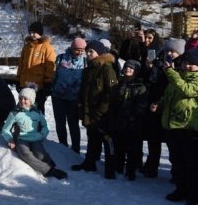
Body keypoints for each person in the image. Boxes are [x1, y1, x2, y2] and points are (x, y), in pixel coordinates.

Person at [157, 48, 198, 205]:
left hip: (190, 127)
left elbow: (188, 90)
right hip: (174, 126)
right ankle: (180, 190)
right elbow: (170, 95)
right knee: (177, 162)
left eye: (191, 64)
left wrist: (171, 73)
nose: (187, 66)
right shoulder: (179, 77)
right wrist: (159, 104)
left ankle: (194, 194)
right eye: (185, 62)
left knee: (192, 164)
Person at [71, 40, 118, 178]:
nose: (88, 54)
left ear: (100, 53)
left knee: (107, 140)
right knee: (92, 138)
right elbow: (84, 90)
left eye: (91, 51)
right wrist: (81, 105)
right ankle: (89, 162)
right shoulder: (88, 70)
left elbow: (110, 94)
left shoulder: (107, 69)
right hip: (89, 111)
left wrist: (100, 112)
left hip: (104, 114)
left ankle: (110, 169)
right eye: (87, 52)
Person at [1, 86, 67, 180]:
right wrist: (10, 139)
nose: (22, 101)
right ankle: (48, 170)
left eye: (25, 99)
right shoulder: (15, 113)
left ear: (31, 100)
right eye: (20, 98)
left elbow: (45, 126)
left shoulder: (37, 113)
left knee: (39, 155)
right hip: (21, 139)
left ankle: (50, 163)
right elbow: (5, 129)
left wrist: (41, 135)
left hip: (35, 139)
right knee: (25, 154)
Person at [143, 38, 185, 178]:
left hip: (171, 106)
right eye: (167, 50)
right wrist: (149, 68)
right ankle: (151, 166)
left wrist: (170, 71)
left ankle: (177, 172)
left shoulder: (183, 65)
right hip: (156, 102)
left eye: (173, 51)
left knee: (173, 142)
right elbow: (151, 81)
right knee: (153, 138)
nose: (169, 54)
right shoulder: (159, 62)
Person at [110, 59, 148, 180]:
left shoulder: (140, 87)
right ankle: (118, 166)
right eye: (126, 67)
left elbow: (141, 106)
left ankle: (131, 170)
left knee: (132, 149)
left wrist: (132, 119)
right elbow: (114, 102)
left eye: (131, 68)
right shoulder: (119, 84)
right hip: (118, 121)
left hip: (132, 123)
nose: (128, 69)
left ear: (135, 71)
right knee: (118, 146)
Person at [51, 38, 87, 152]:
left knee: (73, 124)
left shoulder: (85, 62)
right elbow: (54, 74)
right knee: (60, 123)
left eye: (82, 50)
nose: (80, 52)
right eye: (77, 50)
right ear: (72, 48)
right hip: (58, 96)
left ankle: (75, 149)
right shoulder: (60, 58)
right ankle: (63, 146)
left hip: (74, 98)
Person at [17, 21, 56, 112]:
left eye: (34, 32)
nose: (32, 34)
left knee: (37, 109)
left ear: (40, 33)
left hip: (39, 86)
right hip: (25, 83)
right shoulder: (26, 47)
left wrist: (48, 82)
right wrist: (18, 80)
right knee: (23, 108)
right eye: (30, 32)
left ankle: (39, 126)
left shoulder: (47, 47)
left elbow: (50, 66)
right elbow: (21, 65)